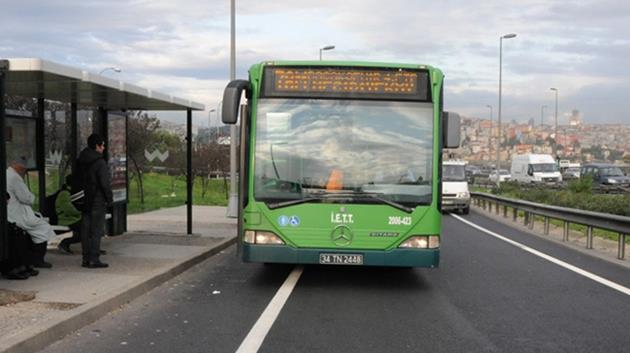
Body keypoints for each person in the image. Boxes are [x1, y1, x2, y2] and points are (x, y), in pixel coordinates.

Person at [6, 158, 55, 268]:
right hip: (17, 214)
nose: (25, 172)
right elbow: (26, 198)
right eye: (24, 169)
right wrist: (33, 197)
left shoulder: (7, 174)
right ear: (20, 167)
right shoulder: (15, 178)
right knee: (43, 227)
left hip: (10, 213)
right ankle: (38, 259)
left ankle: (32, 258)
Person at [78, 134, 112, 268]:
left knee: (85, 230)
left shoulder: (81, 159)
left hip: (84, 199)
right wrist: (109, 199)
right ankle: (94, 258)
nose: (103, 148)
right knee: (96, 230)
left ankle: (85, 258)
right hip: (97, 199)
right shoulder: (100, 162)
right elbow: (105, 183)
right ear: (97, 146)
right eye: (102, 145)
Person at [56, 174, 83, 254]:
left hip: (71, 218)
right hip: (67, 219)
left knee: (86, 229)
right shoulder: (64, 194)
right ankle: (64, 243)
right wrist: (80, 213)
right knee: (85, 230)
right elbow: (68, 209)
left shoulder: (69, 192)